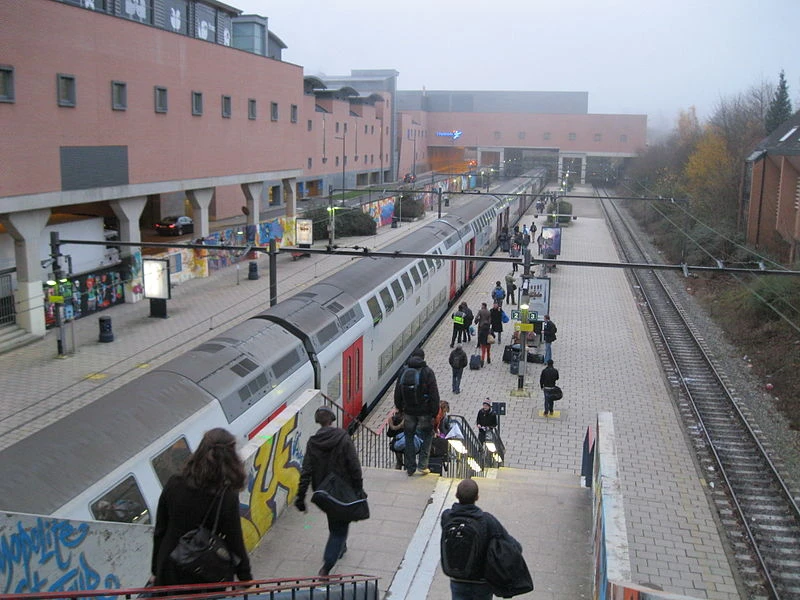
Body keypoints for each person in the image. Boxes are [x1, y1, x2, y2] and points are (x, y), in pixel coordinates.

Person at [151, 428, 252, 590]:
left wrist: (156, 569)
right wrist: (245, 576)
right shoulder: (226, 495)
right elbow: (234, 539)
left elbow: (160, 530)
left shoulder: (174, 483)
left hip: (169, 565)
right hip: (203, 571)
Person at [295, 406, 365, 576]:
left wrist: (301, 497)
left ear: (318, 422)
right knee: (339, 530)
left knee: (335, 519)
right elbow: (354, 466)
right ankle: (327, 567)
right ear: (332, 420)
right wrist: (358, 488)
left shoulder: (313, 442)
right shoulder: (343, 437)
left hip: (323, 492)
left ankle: (341, 547)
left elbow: (306, 471)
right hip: (343, 489)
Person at [440, 479, 520, 600]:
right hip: (482, 581)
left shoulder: (447, 517)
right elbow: (513, 546)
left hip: (458, 578)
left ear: (456, 495)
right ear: (477, 497)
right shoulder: (487, 521)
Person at [393, 348, 440, 476]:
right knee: (428, 435)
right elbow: (434, 394)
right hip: (424, 412)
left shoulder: (403, 371)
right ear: (423, 358)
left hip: (408, 411)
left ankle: (410, 467)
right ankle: (423, 465)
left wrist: (400, 408)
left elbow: (397, 392)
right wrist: (434, 412)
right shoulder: (427, 372)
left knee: (409, 437)